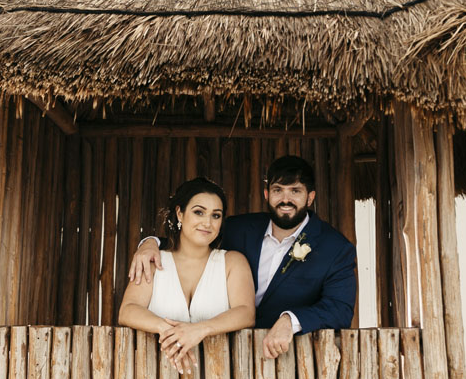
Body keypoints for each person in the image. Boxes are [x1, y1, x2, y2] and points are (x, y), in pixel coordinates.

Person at [129, 155, 356, 361]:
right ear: (267, 194)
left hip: (289, 359)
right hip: (225, 355)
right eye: (278, 190)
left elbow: (340, 309)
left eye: (295, 191)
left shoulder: (335, 248)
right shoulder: (239, 228)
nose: (285, 199)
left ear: (310, 197)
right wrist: (151, 242)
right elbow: (193, 240)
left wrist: (290, 320)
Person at [118, 177, 255, 373]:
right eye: (199, 212)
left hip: (221, 377)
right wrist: (170, 331)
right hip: (152, 376)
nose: (207, 223)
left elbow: (246, 313)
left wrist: (200, 329)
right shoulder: (154, 261)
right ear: (180, 213)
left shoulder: (233, 262)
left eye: (216, 215)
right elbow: (128, 310)